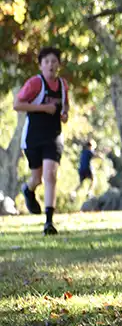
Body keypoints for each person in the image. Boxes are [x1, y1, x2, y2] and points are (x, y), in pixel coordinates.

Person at [13, 46, 70, 235]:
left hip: (53, 137)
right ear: (41, 65)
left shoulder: (63, 85)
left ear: (59, 65)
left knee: (50, 175)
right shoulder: (35, 83)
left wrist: (64, 114)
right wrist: (44, 108)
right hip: (33, 137)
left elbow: (65, 107)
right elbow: (17, 104)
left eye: (54, 62)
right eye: (47, 62)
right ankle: (28, 190)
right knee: (37, 178)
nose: (51, 66)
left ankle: (49, 222)